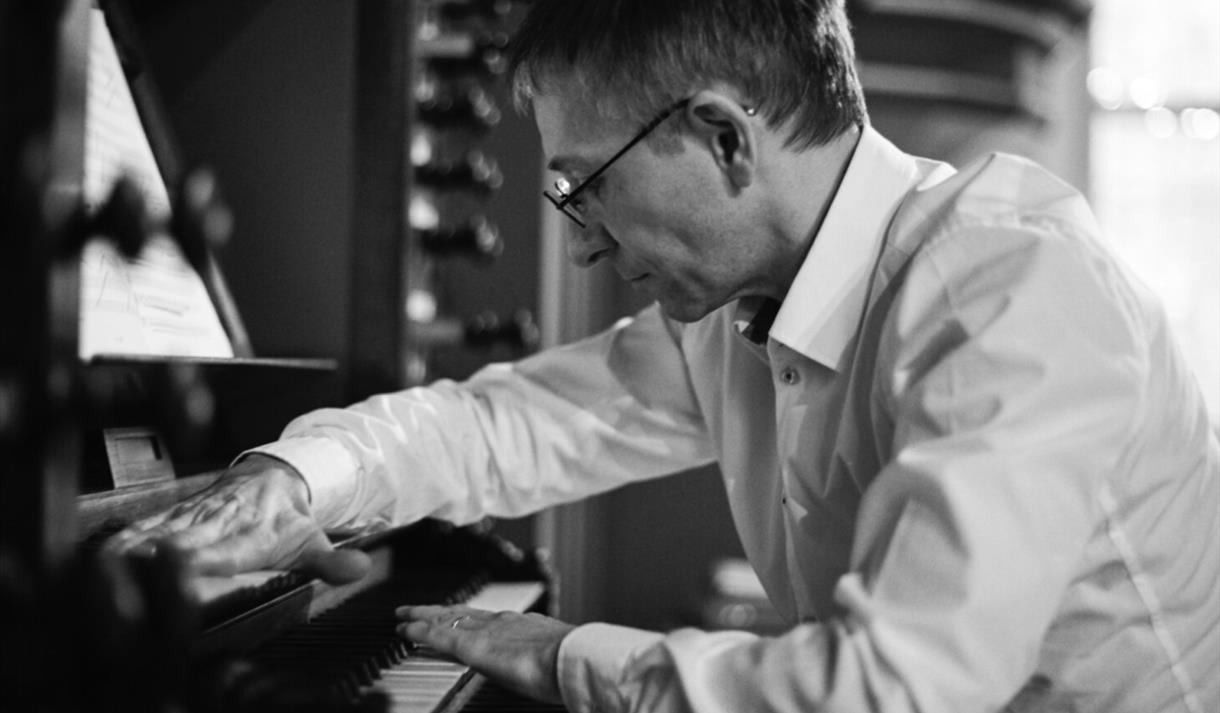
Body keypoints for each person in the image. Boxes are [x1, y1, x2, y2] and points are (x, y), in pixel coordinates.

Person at [109, 1, 1220, 711]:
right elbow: (510, 420)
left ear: (723, 135)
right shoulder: (741, 307)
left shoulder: (1010, 286)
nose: (581, 238)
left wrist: (560, 655)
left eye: (580, 186)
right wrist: (297, 475)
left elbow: (887, 693)